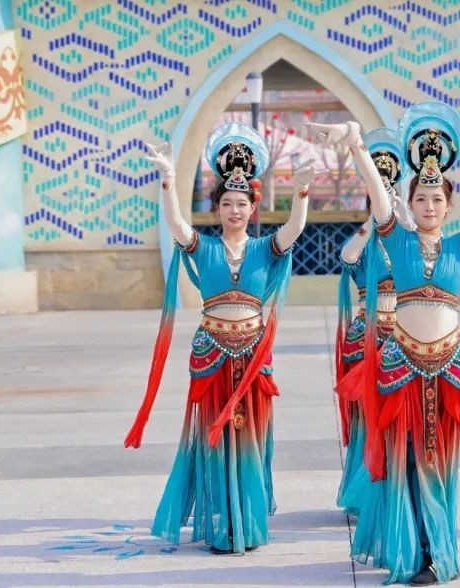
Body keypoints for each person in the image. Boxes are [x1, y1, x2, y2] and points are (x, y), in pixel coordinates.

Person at [311, 102, 460, 585]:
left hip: (446, 369)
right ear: (411, 202)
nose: (427, 206)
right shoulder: (397, 240)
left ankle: (436, 552)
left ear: (448, 205)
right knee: (404, 460)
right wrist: (356, 143)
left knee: (439, 461)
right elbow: (376, 192)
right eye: (420, 198)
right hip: (401, 365)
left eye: (436, 199)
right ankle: (412, 553)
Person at [124, 122, 324, 554]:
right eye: (227, 203)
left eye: (242, 204)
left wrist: (301, 192)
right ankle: (222, 527)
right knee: (214, 441)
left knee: (250, 439)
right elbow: (176, 223)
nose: (235, 210)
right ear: (217, 209)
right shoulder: (203, 247)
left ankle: (246, 525)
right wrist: (167, 179)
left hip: (252, 359)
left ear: (253, 208)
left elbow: (294, 229)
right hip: (213, 355)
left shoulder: (266, 248)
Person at [335, 128, 414, 518]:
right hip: (367, 336)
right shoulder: (363, 241)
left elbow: (418, 243)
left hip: (402, 335)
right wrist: (372, 222)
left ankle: (393, 485)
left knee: (396, 415)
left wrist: (401, 213)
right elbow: (347, 257)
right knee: (367, 416)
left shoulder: (405, 241)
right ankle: (364, 489)